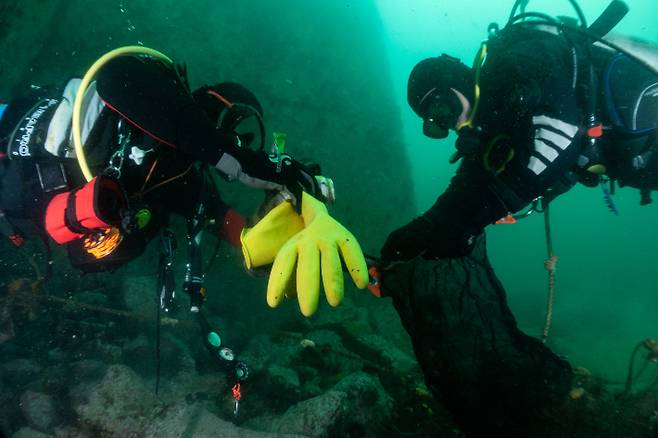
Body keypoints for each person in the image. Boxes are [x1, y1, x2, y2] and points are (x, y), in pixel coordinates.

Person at [0, 47, 369, 402]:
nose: (236, 143)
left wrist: (279, 237)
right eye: (235, 132)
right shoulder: (143, 81)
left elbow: (227, 223)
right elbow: (123, 85)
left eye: (243, 140)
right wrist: (262, 166)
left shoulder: (181, 178)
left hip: (17, 216)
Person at [377, 1, 658, 436]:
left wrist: (471, 219)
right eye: (435, 126)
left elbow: (560, 139)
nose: (448, 126)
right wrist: (417, 236)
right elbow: (470, 188)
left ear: (459, 82)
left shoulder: (515, 64)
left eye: (443, 112)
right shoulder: (497, 113)